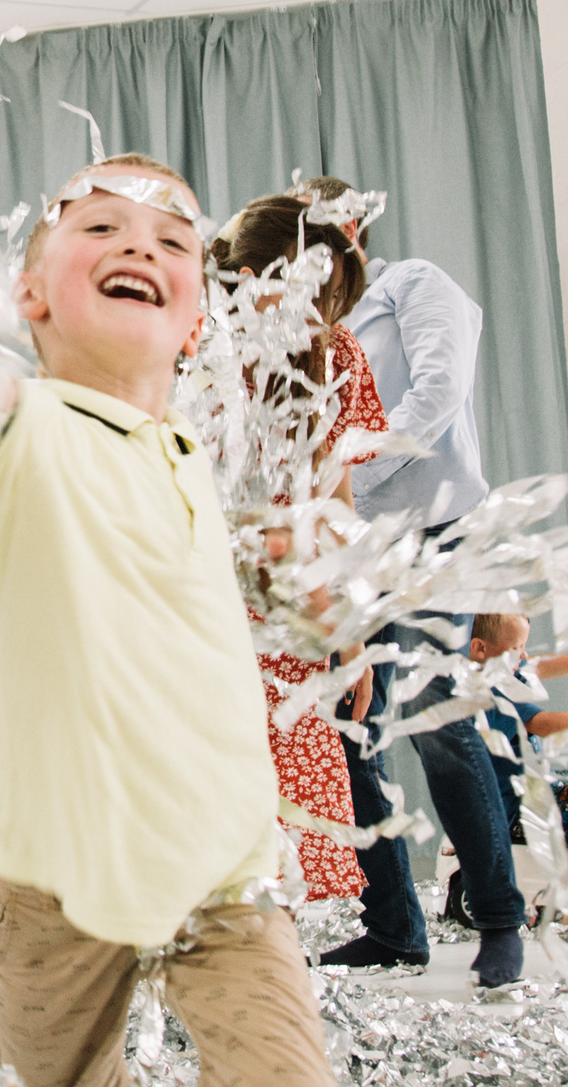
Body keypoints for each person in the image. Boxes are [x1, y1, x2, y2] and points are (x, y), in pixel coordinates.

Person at [0, 154, 337, 1087]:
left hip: (225, 868)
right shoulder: (20, 428)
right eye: (102, 228)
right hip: (52, 877)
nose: (138, 246)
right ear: (28, 293)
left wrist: (303, 595)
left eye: (171, 240)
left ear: (199, 314)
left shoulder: (193, 453)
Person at [299, 175, 530, 988]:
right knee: (353, 718)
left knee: (437, 722)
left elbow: (436, 395)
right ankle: (394, 926)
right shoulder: (308, 331)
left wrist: (346, 477)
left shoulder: (412, 284)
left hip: (435, 530)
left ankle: (500, 919)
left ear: (355, 225)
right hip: (356, 548)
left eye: (326, 226)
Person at [209, 194, 385, 907]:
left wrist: (351, 625)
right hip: (194, 606)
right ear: (250, 275)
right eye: (313, 286)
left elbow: (332, 502)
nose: (325, 310)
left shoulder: (335, 353)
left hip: (286, 621)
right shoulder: (190, 344)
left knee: (284, 849)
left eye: (335, 295)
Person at [460, 613, 568, 932]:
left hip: (533, 791)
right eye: (516, 648)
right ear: (479, 648)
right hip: (512, 808)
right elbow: (545, 724)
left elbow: (540, 665)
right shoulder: (490, 692)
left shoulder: (502, 669)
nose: (523, 656)